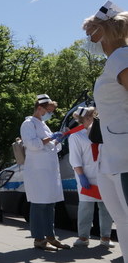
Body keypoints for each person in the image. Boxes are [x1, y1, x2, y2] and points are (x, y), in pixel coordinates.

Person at [83, 0, 128, 261]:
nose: (89, 38)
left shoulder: (122, 57)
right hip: (111, 157)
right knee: (121, 222)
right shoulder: (113, 61)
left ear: (103, 31)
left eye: (90, 32)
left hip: (124, 156)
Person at [20, 94, 69, 251]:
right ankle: (39, 239)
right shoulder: (28, 124)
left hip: (49, 171)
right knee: (39, 205)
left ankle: (50, 236)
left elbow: (51, 147)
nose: (50, 114)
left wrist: (59, 139)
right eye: (48, 111)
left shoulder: (43, 125)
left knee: (50, 204)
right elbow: (32, 144)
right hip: (37, 172)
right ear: (39, 108)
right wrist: (50, 139)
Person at [68, 106, 114, 248]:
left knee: (106, 208)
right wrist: (82, 176)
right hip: (86, 176)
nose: (91, 119)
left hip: (103, 175)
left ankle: (105, 237)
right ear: (83, 119)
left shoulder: (101, 133)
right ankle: (83, 237)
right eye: (88, 117)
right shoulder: (76, 136)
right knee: (85, 208)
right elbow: (75, 159)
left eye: (92, 116)